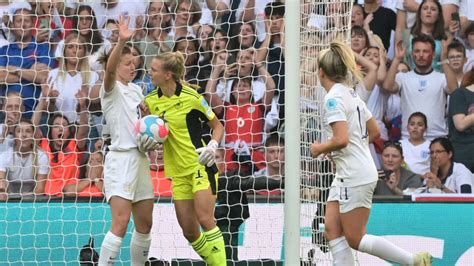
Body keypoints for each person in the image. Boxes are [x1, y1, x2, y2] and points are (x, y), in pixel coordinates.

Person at [310, 41, 432, 265]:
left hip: (354, 174)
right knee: (332, 229)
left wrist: (320, 148)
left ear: (321, 72)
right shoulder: (351, 94)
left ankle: (413, 260)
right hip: (352, 170)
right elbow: (375, 131)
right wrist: (351, 147)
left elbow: (341, 139)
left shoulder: (333, 99)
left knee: (356, 238)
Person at [147, 51, 226, 265]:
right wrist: (147, 141)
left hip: (199, 165)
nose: (149, 73)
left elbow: (218, 126)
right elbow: (151, 132)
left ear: (168, 75)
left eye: (154, 70)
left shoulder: (193, 98)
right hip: (177, 172)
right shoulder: (151, 101)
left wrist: (213, 145)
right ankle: (214, 261)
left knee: (205, 219)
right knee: (190, 232)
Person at [98, 16, 158, 266]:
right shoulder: (110, 89)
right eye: (127, 63)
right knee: (121, 223)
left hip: (140, 158)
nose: (132, 68)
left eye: (134, 64)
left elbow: (142, 125)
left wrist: (147, 122)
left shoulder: (136, 90)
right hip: (120, 160)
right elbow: (110, 70)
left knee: (145, 223)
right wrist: (122, 40)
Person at [214, 137, 284, 261]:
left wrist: (284, 183)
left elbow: (248, 183)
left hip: (230, 230)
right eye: (272, 151)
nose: (277, 156)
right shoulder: (249, 180)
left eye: (281, 151)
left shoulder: (229, 179)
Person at [0, 119, 49, 200]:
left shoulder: (41, 156)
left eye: (28, 131)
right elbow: (1, 183)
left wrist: (24, 197)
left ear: (33, 135)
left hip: (32, 200)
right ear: (15, 136)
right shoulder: (5, 156)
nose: (24, 135)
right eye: (19, 131)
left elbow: (40, 189)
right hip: (8, 200)